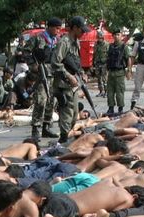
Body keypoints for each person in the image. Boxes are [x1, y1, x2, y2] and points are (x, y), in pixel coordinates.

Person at [51, 16, 89, 144]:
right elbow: (55, 63)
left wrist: (82, 73)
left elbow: (75, 62)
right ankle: (64, 140)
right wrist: (69, 76)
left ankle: (68, 136)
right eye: (82, 30)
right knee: (67, 113)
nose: (83, 33)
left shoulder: (76, 42)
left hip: (73, 83)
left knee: (74, 114)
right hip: (63, 83)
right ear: (75, 28)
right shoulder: (64, 42)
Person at [28, 17, 62, 140]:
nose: (58, 31)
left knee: (51, 102)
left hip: (54, 74)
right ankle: (36, 129)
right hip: (41, 74)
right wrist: (33, 65)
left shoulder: (58, 40)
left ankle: (46, 127)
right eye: (57, 28)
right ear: (50, 27)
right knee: (41, 101)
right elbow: (25, 51)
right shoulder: (38, 38)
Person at [105, 28, 131, 116]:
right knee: (110, 91)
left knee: (119, 91)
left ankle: (120, 108)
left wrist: (129, 71)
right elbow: (108, 59)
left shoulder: (124, 47)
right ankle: (110, 108)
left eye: (118, 35)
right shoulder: (111, 46)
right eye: (114, 35)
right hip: (111, 72)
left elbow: (128, 59)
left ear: (121, 36)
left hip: (120, 72)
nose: (116, 36)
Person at [93, 30, 109, 97]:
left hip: (104, 63)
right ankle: (101, 91)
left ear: (102, 37)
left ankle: (106, 92)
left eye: (100, 37)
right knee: (99, 79)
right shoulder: (96, 44)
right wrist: (93, 63)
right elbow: (94, 54)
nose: (99, 39)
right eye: (98, 37)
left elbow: (109, 54)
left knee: (105, 79)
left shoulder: (106, 44)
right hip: (97, 63)